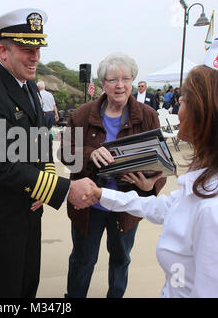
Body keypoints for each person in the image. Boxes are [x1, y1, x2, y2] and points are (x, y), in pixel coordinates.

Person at [85, 30, 218, 298]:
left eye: (185, 99)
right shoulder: (213, 180)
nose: (178, 107)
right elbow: (167, 206)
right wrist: (100, 193)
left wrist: (152, 180)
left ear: (209, 114)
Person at [0, 8, 98, 298]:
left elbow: (39, 143)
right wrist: (63, 189)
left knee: (29, 282)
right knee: (11, 290)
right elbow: (2, 164)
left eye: (37, 48)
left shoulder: (28, 89)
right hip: (5, 212)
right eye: (27, 49)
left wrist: (44, 183)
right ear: (3, 52)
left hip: (31, 204)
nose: (35, 56)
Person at [62, 52, 166, 298]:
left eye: (126, 78)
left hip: (127, 204)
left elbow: (161, 162)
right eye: (113, 80)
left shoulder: (148, 116)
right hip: (90, 204)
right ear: (102, 84)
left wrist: (151, 182)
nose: (120, 85)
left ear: (133, 81)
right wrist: (89, 153)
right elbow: (65, 152)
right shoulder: (82, 115)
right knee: (83, 259)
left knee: (121, 258)